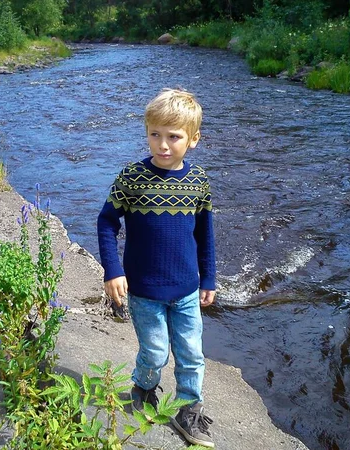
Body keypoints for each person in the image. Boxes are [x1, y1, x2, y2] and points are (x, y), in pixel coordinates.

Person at [97, 88, 216, 448]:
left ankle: (187, 409)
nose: (163, 145)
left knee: (192, 353)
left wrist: (208, 277)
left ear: (193, 139)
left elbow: (205, 234)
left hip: (186, 289)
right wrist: (113, 270)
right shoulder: (131, 178)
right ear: (147, 131)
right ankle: (143, 388)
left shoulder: (198, 183)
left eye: (174, 137)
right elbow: (106, 223)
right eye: (155, 135)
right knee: (155, 352)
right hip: (144, 291)